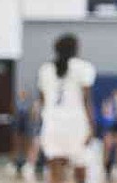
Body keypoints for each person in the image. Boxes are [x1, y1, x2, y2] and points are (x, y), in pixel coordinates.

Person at [38, 34, 96, 183]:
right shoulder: (84, 67)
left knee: (55, 172)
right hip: (76, 124)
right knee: (80, 169)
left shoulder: (45, 69)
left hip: (52, 124)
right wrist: (92, 126)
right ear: (76, 49)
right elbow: (86, 100)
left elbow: (42, 102)